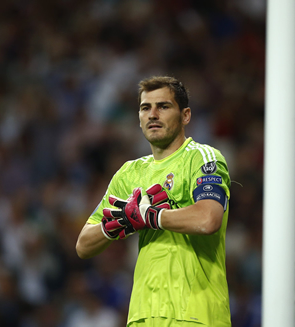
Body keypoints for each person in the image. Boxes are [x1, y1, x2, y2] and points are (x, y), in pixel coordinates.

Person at [76, 76, 232, 327]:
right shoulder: (129, 173)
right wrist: (119, 223)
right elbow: (83, 245)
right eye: (145, 108)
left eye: (164, 106)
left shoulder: (202, 158)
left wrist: (152, 216)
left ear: (186, 116)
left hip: (197, 315)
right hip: (142, 317)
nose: (153, 114)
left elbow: (208, 218)